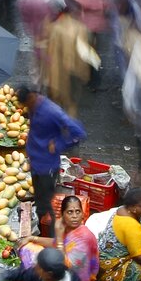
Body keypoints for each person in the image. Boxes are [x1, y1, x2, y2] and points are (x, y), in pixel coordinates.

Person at [17, 86, 86, 233]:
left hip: (47, 166)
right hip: (36, 162)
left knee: (48, 204)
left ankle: (54, 238)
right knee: (40, 199)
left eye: (26, 104)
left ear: (31, 97)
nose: (25, 108)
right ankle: (42, 228)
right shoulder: (33, 107)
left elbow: (78, 132)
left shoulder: (52, 112)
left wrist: (60, 144)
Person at [18, 195, 99, 281]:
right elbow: (55, 243)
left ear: (82, 214)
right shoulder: (69, 229)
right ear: (62, 215)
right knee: (28, 248)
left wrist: (60, 237)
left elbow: (66, 268)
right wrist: (32, 238)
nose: (74, 216)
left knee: (38, 265)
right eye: (70, 212)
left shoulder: (84, 237)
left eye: (78, 211)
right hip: (65, 272)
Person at [42, 1, 92, 116]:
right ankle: (68, 128)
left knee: (56, 103)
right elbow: (84, 54)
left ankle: (58, 126)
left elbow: (48, 52)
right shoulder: (81, 28)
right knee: (71, 104)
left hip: (56, 74)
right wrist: (85, 74)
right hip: (74, 74)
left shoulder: (54, 27)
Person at [73, 0, 111, 91]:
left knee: (88, 53)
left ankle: (91, 80)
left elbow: (79, 2)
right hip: (96, 25)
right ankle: (93, 80)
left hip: (86, 24)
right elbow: (106, 6)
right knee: (92, 52)